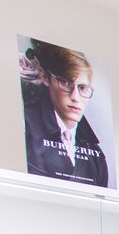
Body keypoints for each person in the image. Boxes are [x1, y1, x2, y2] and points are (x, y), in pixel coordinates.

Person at [20, 41, 111, 188]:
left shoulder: (97, 157)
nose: (75, 97)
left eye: (82, 88)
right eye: (66, 83)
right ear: (45, 77)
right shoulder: (26, 130)